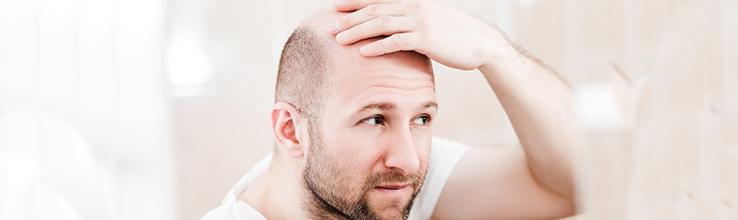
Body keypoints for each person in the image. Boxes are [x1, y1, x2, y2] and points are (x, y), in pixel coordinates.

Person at [203, 0, 576, 219]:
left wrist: (494, 50)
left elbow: (579, 181)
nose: (410, 160)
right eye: (375, 119)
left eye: (421, 118)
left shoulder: (389, 185)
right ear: (290, 130)